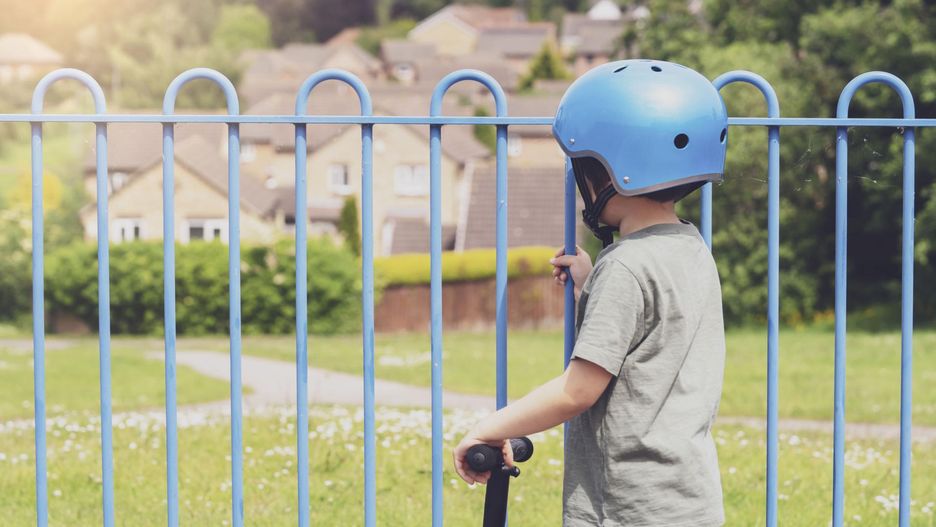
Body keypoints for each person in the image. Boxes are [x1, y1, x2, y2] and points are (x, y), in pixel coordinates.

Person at [453, 59, 729, 526]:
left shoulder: (625, 266)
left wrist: (488, 427)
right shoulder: (689, 246)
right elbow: (654, 336)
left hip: (627, 507)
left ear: (615, 170)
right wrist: (590, 285)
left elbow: (577, 391)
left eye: (585, 167)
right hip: (687, 500)